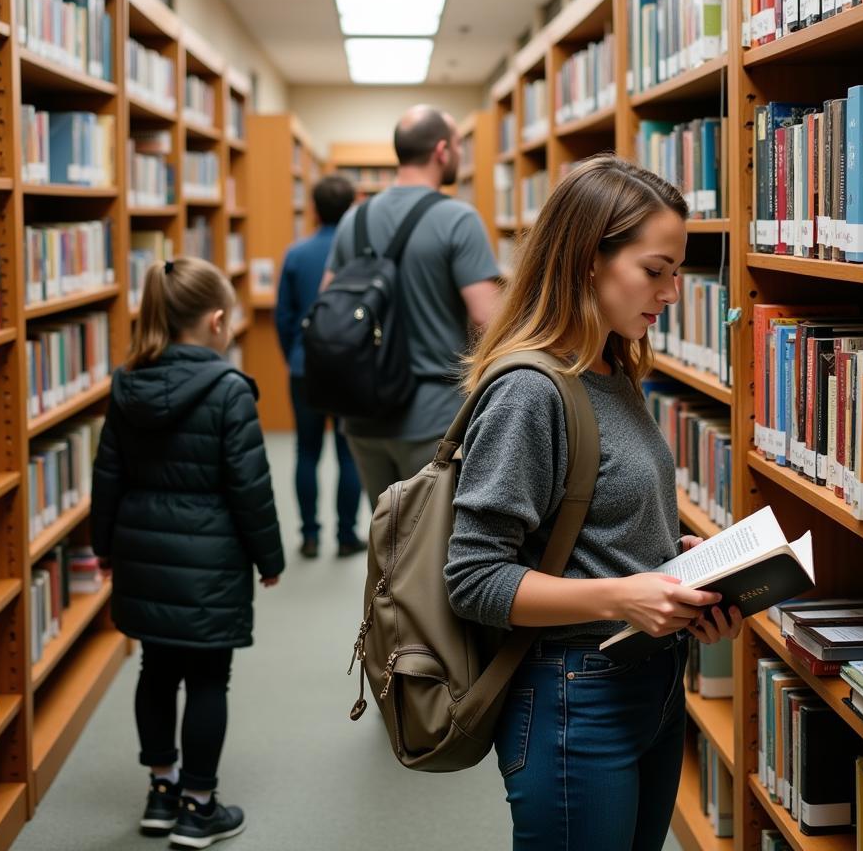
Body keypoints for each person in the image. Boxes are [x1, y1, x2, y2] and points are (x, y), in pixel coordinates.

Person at [444, 156, 743, 851]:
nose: (673, 292)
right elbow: (474, 578)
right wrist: (624, 596)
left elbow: (590, 527)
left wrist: (676, 569)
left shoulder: (613, 368)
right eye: (656, 270)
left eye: (679, 272)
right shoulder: (531, 391)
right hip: (573, 697)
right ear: (587, 260)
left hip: (653, 681)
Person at [90, 256, 284, 848]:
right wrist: (269, 559)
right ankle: (200, 808)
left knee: (154, 669)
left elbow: (107, 477)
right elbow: (249, 487)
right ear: (218, 321)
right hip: (211, 561)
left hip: (143, 555)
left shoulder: (127, 385)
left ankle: (161, 790)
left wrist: (104, 549)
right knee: (207, 680)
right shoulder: (229, 392)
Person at [322, 105, 500, 506]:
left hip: (363, 412)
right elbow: (488, 318)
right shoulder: (458, 219)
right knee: (432, 549)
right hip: (433, 419)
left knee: (385, 540)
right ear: (441, 151)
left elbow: (328, 297)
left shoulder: (355, 218)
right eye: (457, 145)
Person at [276, 174, 364, 559]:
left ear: (312, 208)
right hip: (349, 368)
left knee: (306, 450)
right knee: (348, 452)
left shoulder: (296, 254)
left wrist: (293, 355)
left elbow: (284, 316)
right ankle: (347, 536)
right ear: (352, 208)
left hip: (304, 365)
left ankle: (309, 535)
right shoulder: (359, 255)